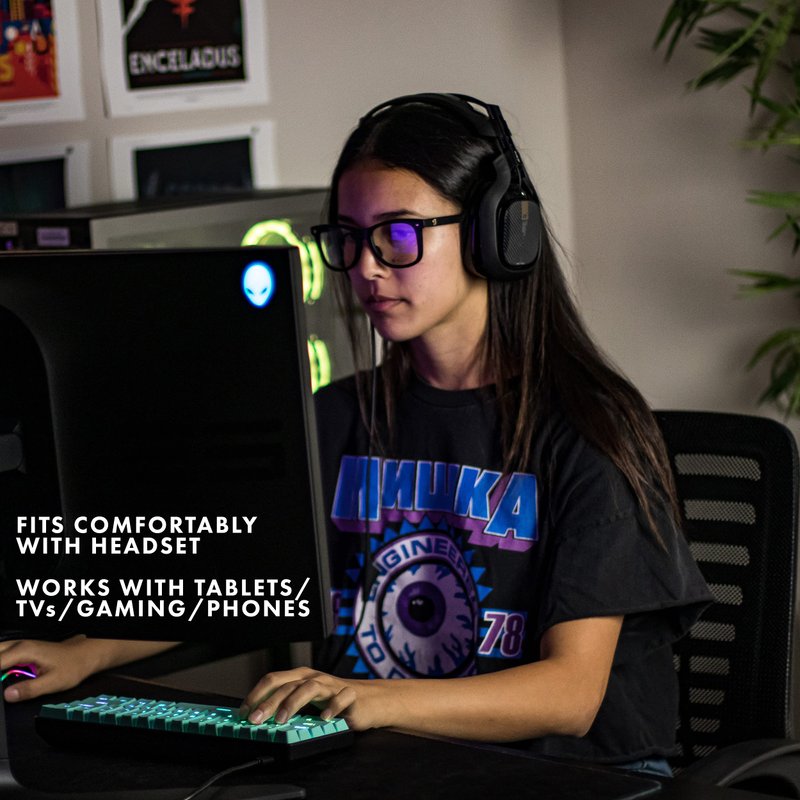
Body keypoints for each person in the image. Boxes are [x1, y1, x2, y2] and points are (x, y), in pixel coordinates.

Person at [1, 93, 711, 775]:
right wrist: (85, 652)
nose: (366, 268)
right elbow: (236, 583)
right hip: (390, 764)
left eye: (398, 235)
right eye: (349, 238)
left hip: (574, 779)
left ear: (496, 235)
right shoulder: (337, 416)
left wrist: (373, 701)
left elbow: (570, 696)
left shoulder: (590, 428)